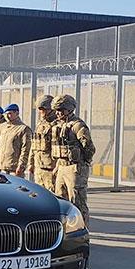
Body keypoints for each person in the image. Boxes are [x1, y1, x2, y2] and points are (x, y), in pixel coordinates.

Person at [51, 94, 96, 226]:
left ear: (69, 109)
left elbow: (89, 147)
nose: (58, 113)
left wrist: (82, 163)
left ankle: (82, 229)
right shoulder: (59, 125)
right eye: (56, 110)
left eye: (61, 110)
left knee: (77, 202)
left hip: (75, 168)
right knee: (61, 201)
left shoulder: (78, 126)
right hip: (62, 166)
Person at [28, 95, 57, 192]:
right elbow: (34, 145)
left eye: (43, 109)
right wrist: (31, 163)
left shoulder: (57, 125)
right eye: (40, 109)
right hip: (39, 168)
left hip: (51, 169)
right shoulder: (40, 124)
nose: (41, 112)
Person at [0, 104, 32, 177]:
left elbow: (25, 149)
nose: (7, 116)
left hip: (14, 169)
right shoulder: (5, 128)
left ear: (17, 113)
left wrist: (21, 166)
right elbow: (0, 147)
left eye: (10, 113)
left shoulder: (23, 129)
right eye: (6, 114)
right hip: (2, 168)